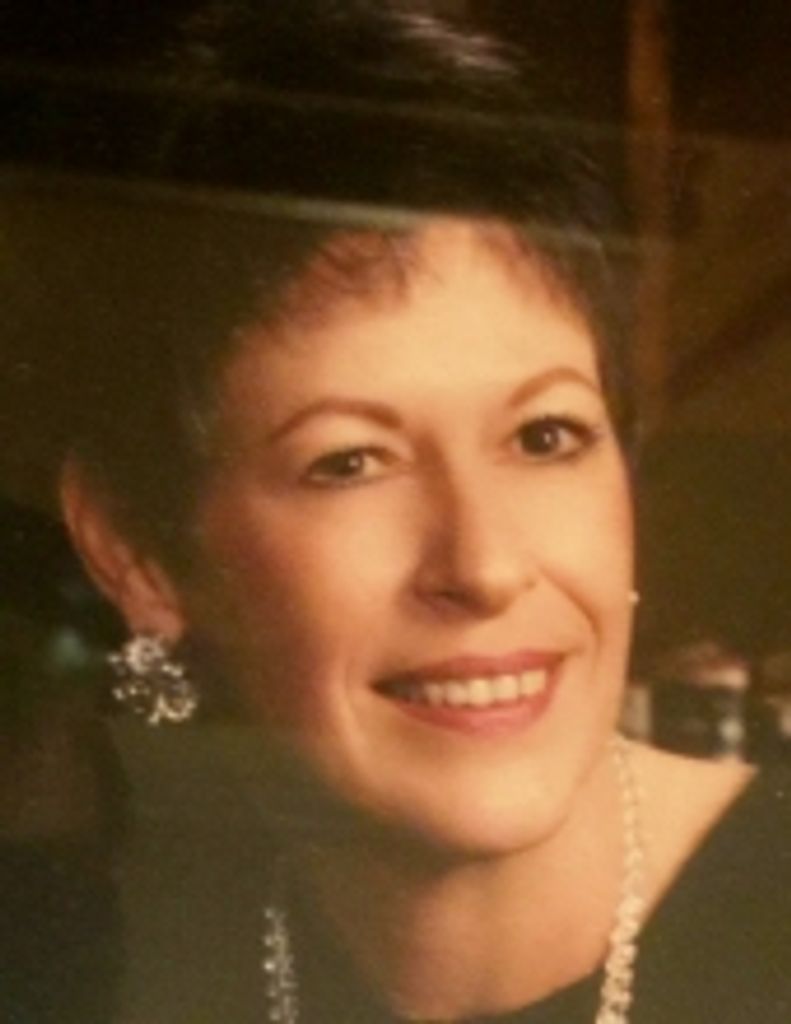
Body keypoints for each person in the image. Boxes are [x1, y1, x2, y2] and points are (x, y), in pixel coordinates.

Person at [23, 2, 791, 1021]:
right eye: (349, 462)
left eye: (544, 436)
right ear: (137, 552)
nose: (483, 565)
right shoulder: (79, 957)